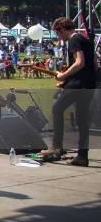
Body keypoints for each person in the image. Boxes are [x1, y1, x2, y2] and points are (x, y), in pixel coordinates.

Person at [41, 17, 98, 166]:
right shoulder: (86, 40)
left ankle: (56, 147)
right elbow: (95, 64)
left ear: (62, 29)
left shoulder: (73, 40)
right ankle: (82, 156)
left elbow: (80, 62)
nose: (58, 37)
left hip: (78, 84)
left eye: (58, 33)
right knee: (82, 120)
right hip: (89, 84)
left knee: (57, 108)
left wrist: (64, 76)